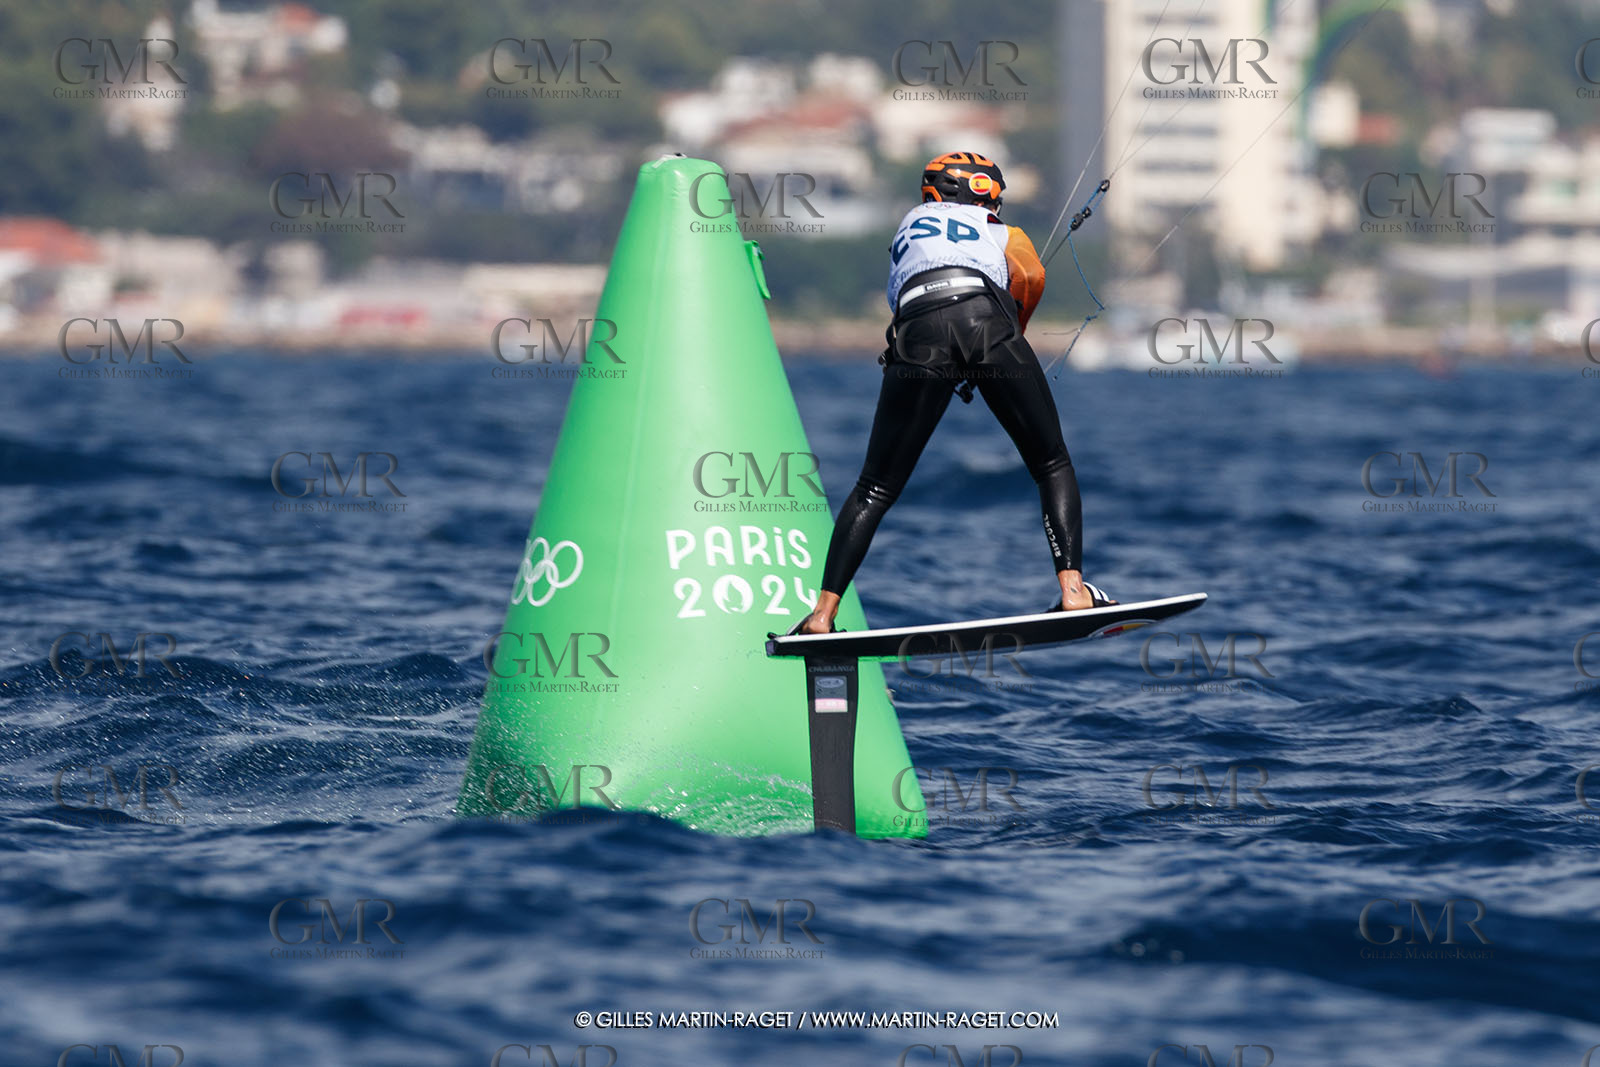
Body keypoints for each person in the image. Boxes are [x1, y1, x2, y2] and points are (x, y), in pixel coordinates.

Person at [795, 151, 1115, 635]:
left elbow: (906, 301)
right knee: (1051, 464)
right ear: (982, 193)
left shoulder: (905, 229)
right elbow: (1029, 277)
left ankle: (822, 615)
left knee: (874, 488)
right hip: (986, 321)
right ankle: (1074, 591)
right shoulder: (1001, 230)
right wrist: (1008, 336)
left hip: (917, 330)